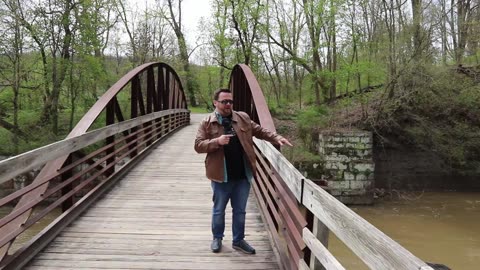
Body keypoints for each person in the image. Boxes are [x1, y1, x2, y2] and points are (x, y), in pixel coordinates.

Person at [194, 88, 292, 254]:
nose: (228, 104)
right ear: (215, 103)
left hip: (242, 174)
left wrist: (276, 137)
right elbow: (198, 146)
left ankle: (238, 240)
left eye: (230, 101)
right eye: (224, 101)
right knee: (219, 210)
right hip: (221, 175)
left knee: (240, 211)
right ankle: (217, 238)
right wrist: (217, 141)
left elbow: (260, 131)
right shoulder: (207, 122)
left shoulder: (243, 118)